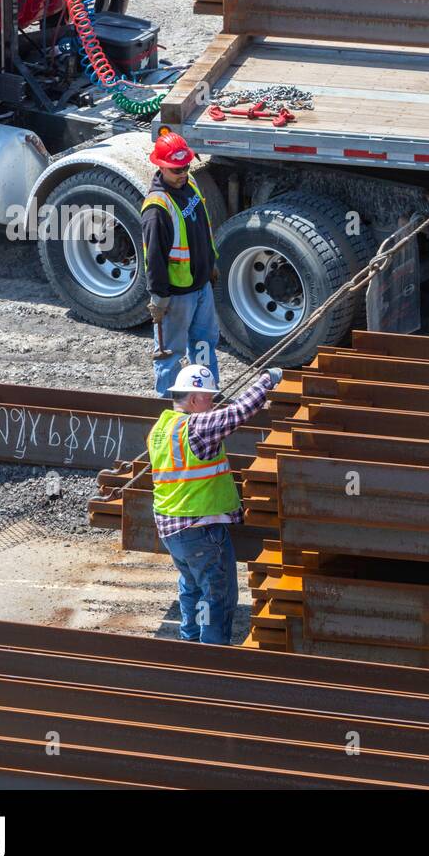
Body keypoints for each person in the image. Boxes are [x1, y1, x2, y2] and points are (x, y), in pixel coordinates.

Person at [148, 363, 283, 644]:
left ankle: (191, 642)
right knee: (217, 595)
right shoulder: (197, 427)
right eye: (209, 397)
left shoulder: (161, 428)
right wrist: (267, 381)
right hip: (201, 528)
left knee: (192, 588)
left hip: (173, 528)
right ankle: (213, 654)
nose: (213, 402)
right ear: (194, 399)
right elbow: (239, 412)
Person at [143, 132, 221, 397]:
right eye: (176, 169)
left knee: (204, 345)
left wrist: (211, 264)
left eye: (186, 166)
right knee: (170, 355)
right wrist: (159, 297)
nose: (182, 173)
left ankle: (206, 396)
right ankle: (168, 404)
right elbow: (153, 258)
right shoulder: (157, 208)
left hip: (200, 286)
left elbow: (202, 229)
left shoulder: (191, 185)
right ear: (161, 166)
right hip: (176, 295)